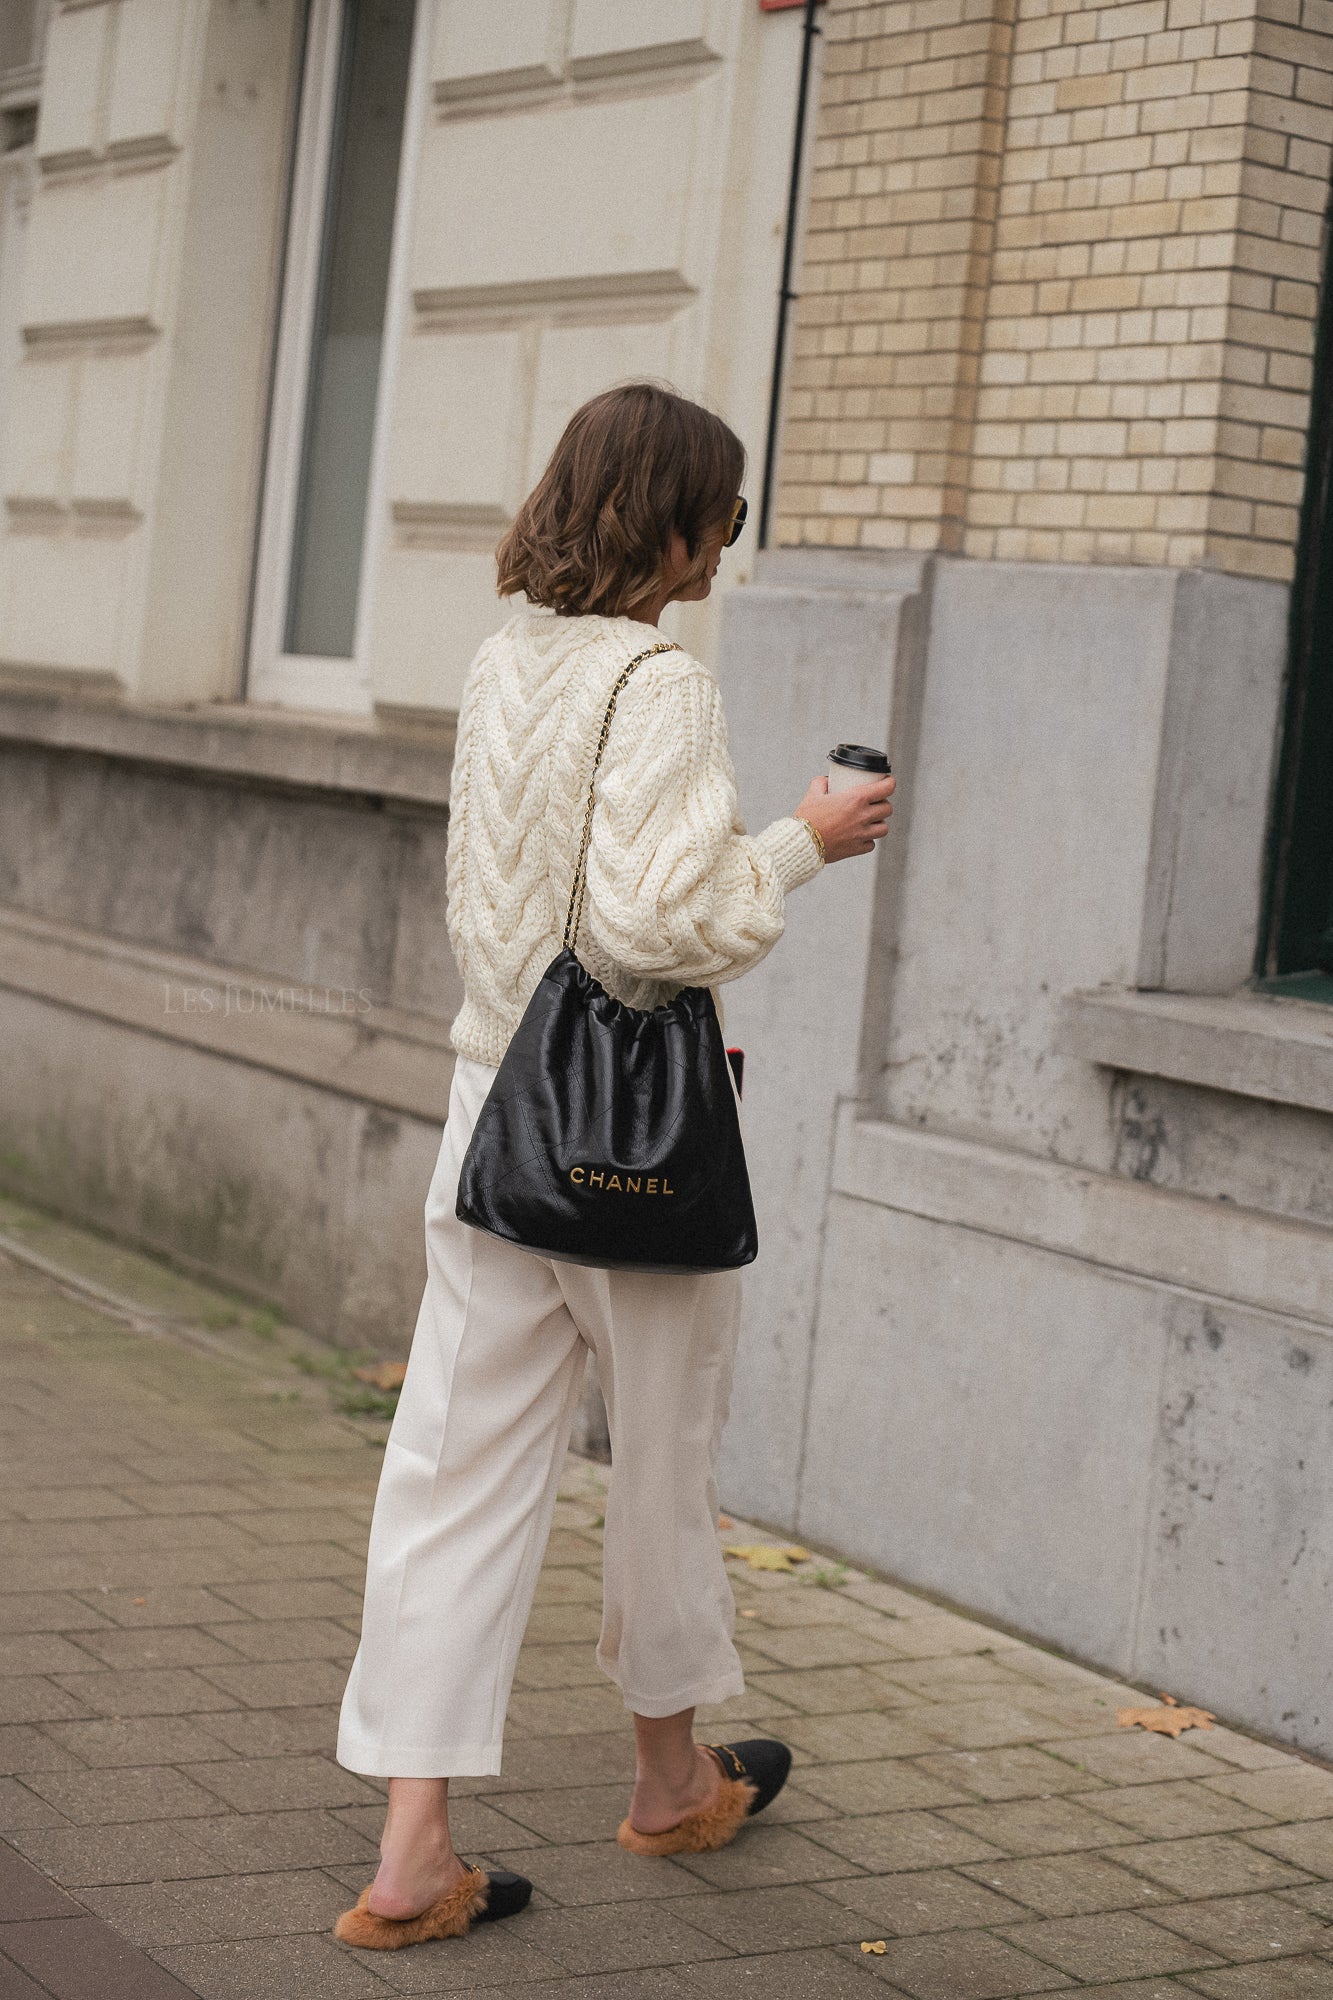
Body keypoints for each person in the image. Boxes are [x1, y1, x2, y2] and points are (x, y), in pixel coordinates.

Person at [332, 382, 895, 1951]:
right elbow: (652, 927)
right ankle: (663, 1789)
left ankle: (412, 1853)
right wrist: (802, 838)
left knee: (452, 1471)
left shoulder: (505, 662)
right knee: (657, 1455)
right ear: (667, 522)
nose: (724, 544)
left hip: (489, 1111)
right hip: (626, 1145)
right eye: (720, 515)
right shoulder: (658, 682)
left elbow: (508, 903)